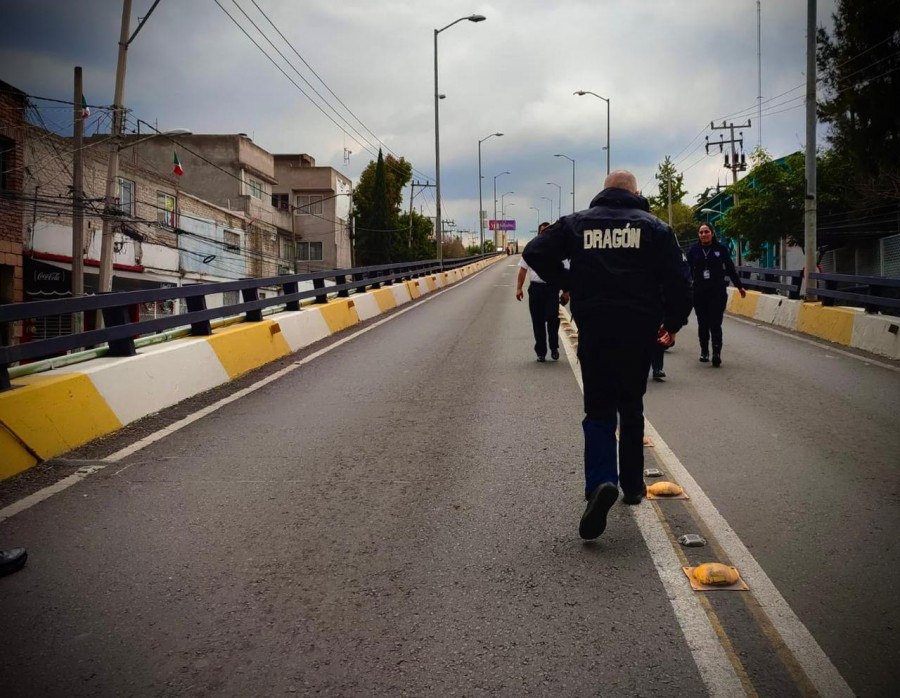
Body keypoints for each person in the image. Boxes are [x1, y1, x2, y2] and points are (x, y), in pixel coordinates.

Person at [523, 170, 691, 539]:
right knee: (631, 405)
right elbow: (680, 278)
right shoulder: (654, 228)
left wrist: (571, 282)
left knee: (598, 410)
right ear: (635, 193)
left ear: (603, 192)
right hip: (639, 329)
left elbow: (534, 251)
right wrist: (674, 323)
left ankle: (601, 481)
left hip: (596, 327)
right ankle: (632, 486)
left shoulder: (577, 224)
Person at [686, 224, 746, 367]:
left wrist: (739, 286)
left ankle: (716, 352)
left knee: (715, 323)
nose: (703, 234)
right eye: (701, 232)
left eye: (706, 232)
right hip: (699, 292)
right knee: (703, 323)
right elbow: (686, 270)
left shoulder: (721, 249)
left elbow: (730, 269)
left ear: (712, 233)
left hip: (717, 292)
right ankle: (704, 350)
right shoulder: (694, 250)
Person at [516, 222, 569, 362]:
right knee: (537, 321)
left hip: (552, 288)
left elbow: (566, 272)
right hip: (535, 289)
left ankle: (554, 348)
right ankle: (541, 352)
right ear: (539, 234)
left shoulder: (559, 249)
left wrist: (566, 291)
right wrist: (519, 288)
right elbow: (523, 269)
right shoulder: (532, 249)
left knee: (553, 318)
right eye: (542, 232)